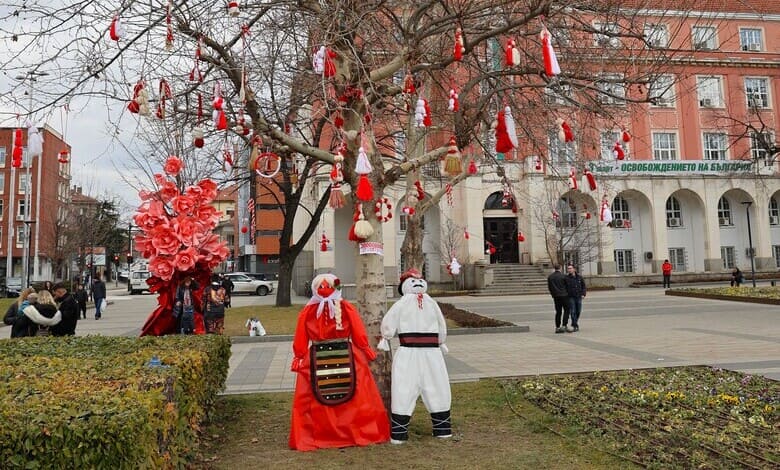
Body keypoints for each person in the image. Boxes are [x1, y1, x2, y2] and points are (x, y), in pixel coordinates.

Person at [289, 273, 389, 451]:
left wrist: (299, 356)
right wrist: (364, 349)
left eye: (327, 286)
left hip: (318, 356)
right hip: (346, 354)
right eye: (322, 287)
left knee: (315, 396)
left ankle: (324, 434)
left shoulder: (310, 310)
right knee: (358, 396)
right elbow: (358, 330)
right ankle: (352, 431)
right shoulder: (341, 307)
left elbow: (301, 335)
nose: (325, 290)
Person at [379, 268, 452, 444]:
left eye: (420, 281)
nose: (418, 283)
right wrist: (386, 336)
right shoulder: (402, 303)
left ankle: (442, 427)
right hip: (408, 350)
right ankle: (399, 432)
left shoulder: (430, 302)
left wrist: (441, 340)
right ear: (405, 286)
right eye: (413, 281)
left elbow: (440, 322)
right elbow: (391, 318)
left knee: (437, 384)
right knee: (404, 387)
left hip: (431, 351)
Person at [547, 264, 572, 333]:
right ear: (560, 268)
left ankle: (557, 327)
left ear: (554, 268)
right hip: (564, 295)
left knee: (558, 312)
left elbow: (550, 287)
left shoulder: (550, 277)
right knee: (566, 310)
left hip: (556, 296)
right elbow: (568, 286)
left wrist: (553, 294)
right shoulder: (564, 276)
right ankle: (564, 325)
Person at [565, 265, 587, 332]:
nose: (569, 270)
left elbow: (584, 286)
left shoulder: (579, 277)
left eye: (570, 268)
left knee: (578, 311)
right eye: (568, 268)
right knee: (573, 311)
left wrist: (583, 294)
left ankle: (574, 323)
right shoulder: (566, 278)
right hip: (571, 297)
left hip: (579, 296)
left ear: (574, 269)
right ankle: (575, 325)